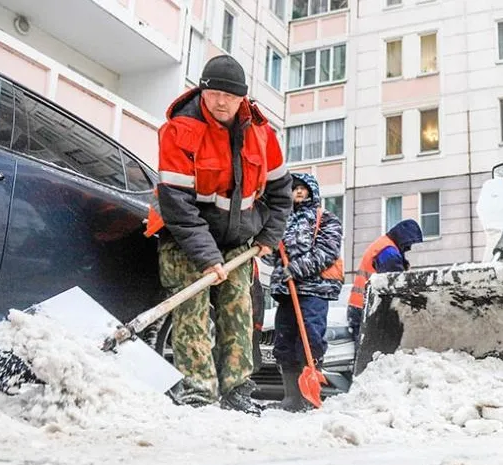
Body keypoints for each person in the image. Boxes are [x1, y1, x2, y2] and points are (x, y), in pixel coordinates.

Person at [145, 54, 293, 414]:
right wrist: (208, 258)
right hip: (184, 239)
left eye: (230, 95)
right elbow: (177, 205)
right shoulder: (180, 130)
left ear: (243, 97)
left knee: (237, 310)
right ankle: (198, 392)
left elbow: (280, 194)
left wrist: (267, 238)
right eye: (214, 94)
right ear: (202, 91)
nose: (221, 102)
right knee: (191, 312)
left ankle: (236, 390)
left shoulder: (262, 135)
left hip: (238, 241)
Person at [262, 173, 343, 412]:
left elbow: (327, 251)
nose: (297, 192)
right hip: (287, 291)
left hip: (314, 290)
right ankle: (291, 397)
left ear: (312, 191)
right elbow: (271, 255)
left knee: (309, 339)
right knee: (284, 341)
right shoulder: (281, 221)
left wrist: (296, 268)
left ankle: (309, 394)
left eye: (302, 188)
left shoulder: (325, 219)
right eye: (292, 188)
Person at [347, 219, 423, 340]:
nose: (409, 248)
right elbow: (395, 284)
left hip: (359, 306)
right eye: (409, 243)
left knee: (370, 350)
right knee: (373, 351)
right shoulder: (388, 252)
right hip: (367, 308)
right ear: (403, 239)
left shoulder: (384, 245)